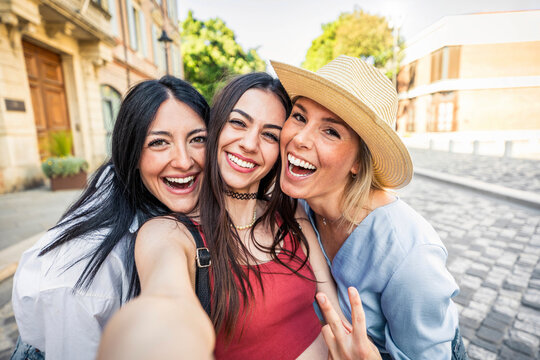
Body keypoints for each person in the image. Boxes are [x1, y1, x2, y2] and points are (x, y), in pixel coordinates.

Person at [98, 72, 344, 360]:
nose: (250, 144)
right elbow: (166, 299)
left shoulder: (290, 213)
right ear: (215, 128)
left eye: (269, 135)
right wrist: (150, 336)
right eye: (238, 123)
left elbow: (333, 313)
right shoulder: (170, 233)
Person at [272, 55, 468, 359]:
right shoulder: (303, 201)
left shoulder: (408, 254)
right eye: (299, 116)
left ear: (359, 162)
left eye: (331, 131)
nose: (299, 138)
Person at [11, 76, 210, 360]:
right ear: (131, 153)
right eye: (159, 142)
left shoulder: (137, 185)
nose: (183, 160)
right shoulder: (85, 282)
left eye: (198, 139)